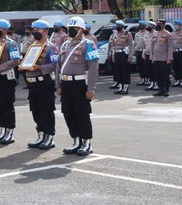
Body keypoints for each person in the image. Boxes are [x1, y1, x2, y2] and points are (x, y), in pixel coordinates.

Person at [56, 16, 98, 156]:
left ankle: (86, 142)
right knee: (68, 113)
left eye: (74, 29)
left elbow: (93, 68)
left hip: (80, 83)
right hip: (66, 83)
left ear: (81, 30)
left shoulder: (88, 44)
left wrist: (91, 88)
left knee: (82, 113)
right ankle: (76, 141)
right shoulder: (65, 45)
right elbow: (58, 66)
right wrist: (58, 84)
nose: (71, 31)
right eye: (69, 28)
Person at [20, 20, 58, 150]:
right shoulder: (32, 46)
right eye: (34, 30)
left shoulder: (50, 47)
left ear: (46, 31)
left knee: (46, 110)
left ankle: (49, 136)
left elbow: (54, 65)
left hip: (44, 82)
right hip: (32, 83)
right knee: (35, 110)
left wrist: (39, 68)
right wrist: (23, 66)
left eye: (38, 30)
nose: (35, 32)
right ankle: (40, 134)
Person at [108, 20, 133, 95]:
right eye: (116, 25)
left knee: (124, 71)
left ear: (121, 26)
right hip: (116, 54)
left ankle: (125, 87)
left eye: (117, 26)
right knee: (118, 71)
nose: (116, 27)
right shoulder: (114, 34)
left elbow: (131, 46)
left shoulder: (127, 34)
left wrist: (130, 56)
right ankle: (120, 86)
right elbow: (113, 45)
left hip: (124, 54)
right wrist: (112, 55)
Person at [151, 19, 173, 97]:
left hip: (164, 58)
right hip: (156, 58)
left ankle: (166, 89)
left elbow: (170, 47)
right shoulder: (155, 34)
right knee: (158, 74)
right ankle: (160, 89)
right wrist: (152, 57)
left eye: (159, 24)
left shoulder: (168, 34)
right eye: (157, 24)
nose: (157, 25)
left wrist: (169, 58)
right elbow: (152, 46)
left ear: (163, 25)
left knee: (165, 75)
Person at [134, 21, 149, 85]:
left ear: (145, 26)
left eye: (141, 25)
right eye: (139, 25)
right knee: (140, 66)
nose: (140, 26)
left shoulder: (147, 33)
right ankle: (142, 79)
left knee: (146, 66)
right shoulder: (137, 34)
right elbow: (135, 43)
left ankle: (148, 79)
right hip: (138, 51)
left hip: (144, 51)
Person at [144, 21, 158, 90]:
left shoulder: (156, 34)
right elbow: (145, 45)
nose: (147, 26)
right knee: (149, 69)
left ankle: (156, 83)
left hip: (154, 54)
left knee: (155, 69)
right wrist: (143, 54)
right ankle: (152, 82)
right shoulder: (147, 34)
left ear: (153, 26)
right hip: (147, 54)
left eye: (149, 25)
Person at [172, 20, 182, 87]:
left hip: (180, 52)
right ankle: (177, 80)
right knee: (175, 67)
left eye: (177, 24)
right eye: (175, 24)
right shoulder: (172, 33)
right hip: (173, 52)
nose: (175, 26)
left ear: (180, 26)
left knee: (180, 67)